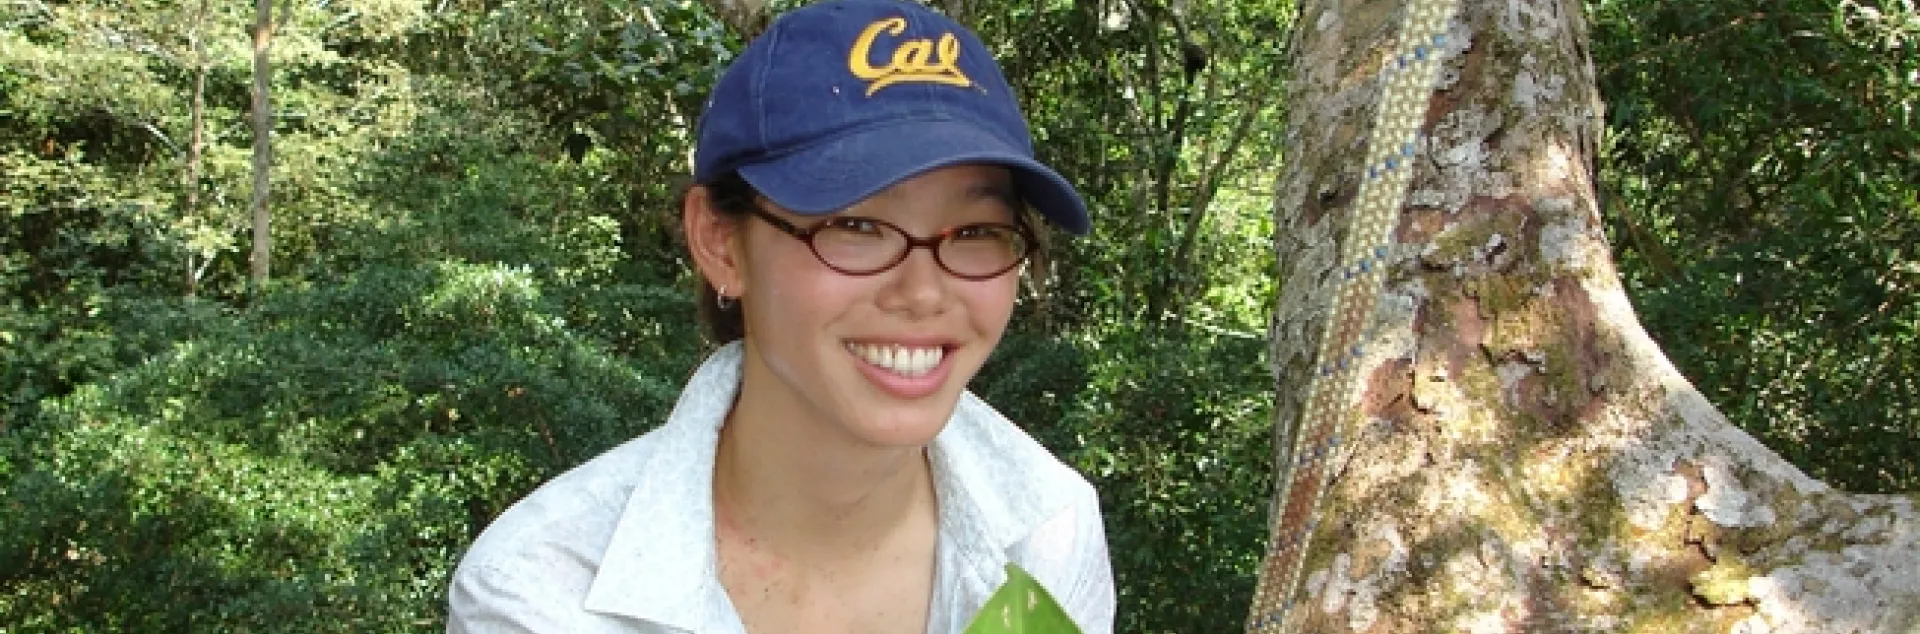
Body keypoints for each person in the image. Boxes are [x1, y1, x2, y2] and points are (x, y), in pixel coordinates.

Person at [444, 0, 1115, 632]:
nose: (923, 292)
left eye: (974, 232)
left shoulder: (1045, 530)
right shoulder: (545, 592)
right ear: (721, 243)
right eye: (857, 224)